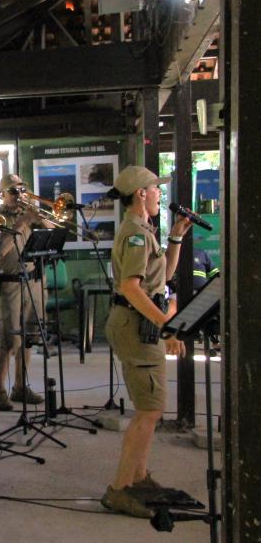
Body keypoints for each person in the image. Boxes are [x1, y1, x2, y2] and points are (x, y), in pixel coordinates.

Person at [100, 165, 191, 517]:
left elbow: (161, 277)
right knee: (150, 410)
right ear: (140, 193)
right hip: (136, 325)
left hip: (140, 323)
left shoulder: (143, 229)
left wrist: (176, 238)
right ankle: (120, 489)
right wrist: (165, 324)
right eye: (155, 188)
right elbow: (130, 287)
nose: (159, 194)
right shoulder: (135, 234)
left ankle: (138, 479)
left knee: (149, 408)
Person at [0, 174, 51, 411]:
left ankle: (20, 386)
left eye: (22, 189)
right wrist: (22, 222)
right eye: (13, 191)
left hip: (34, 281)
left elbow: (53, 232)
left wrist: (40, 218)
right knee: (9, 340)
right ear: (1, 194)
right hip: (10, 283)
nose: (19, 194)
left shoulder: (31, 214)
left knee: (29, 337)